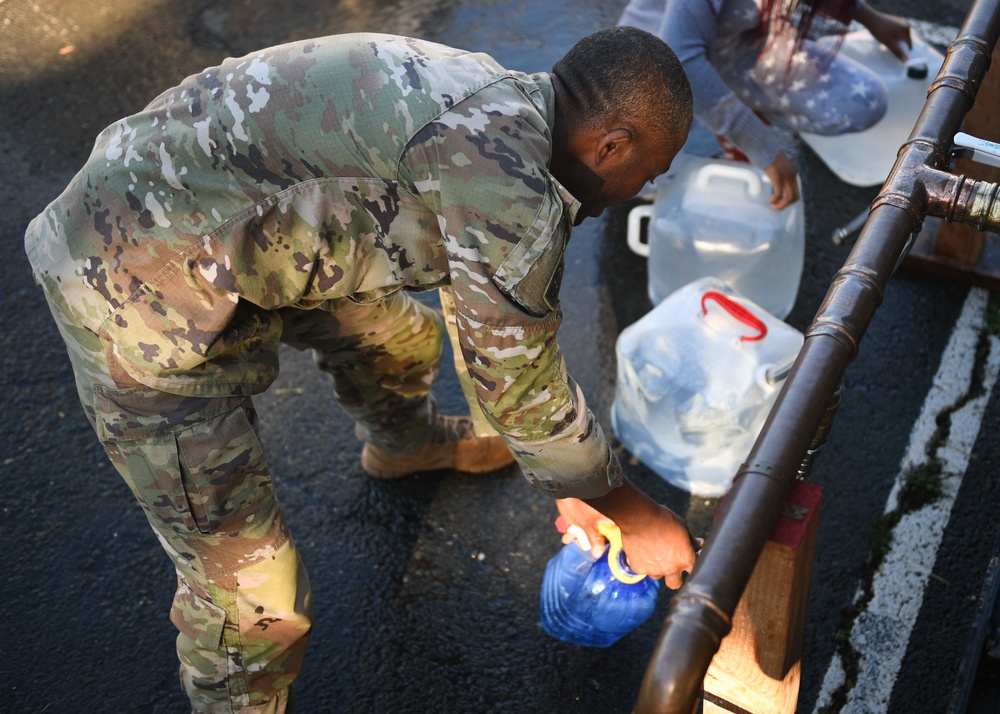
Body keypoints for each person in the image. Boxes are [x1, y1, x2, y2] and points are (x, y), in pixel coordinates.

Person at [25, 27, 698, 713]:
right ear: (610, 145)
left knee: (395, 339)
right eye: (646, 173)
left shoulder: (505, 108)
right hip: (128, 279)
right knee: (252, 595)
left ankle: (404, 447)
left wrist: (570, 482)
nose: (637, 192)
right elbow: (519, 380)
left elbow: (490, 320)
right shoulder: (508, 181)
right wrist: (626, 507)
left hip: (214, 214)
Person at [618, 0, 912, 208]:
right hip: (656, 56)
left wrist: (865, 14)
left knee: (863, 101)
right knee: (642, 181)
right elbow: (680, 56)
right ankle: (722, 111)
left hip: (736, 42)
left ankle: (729, 105)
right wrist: (762, 147)